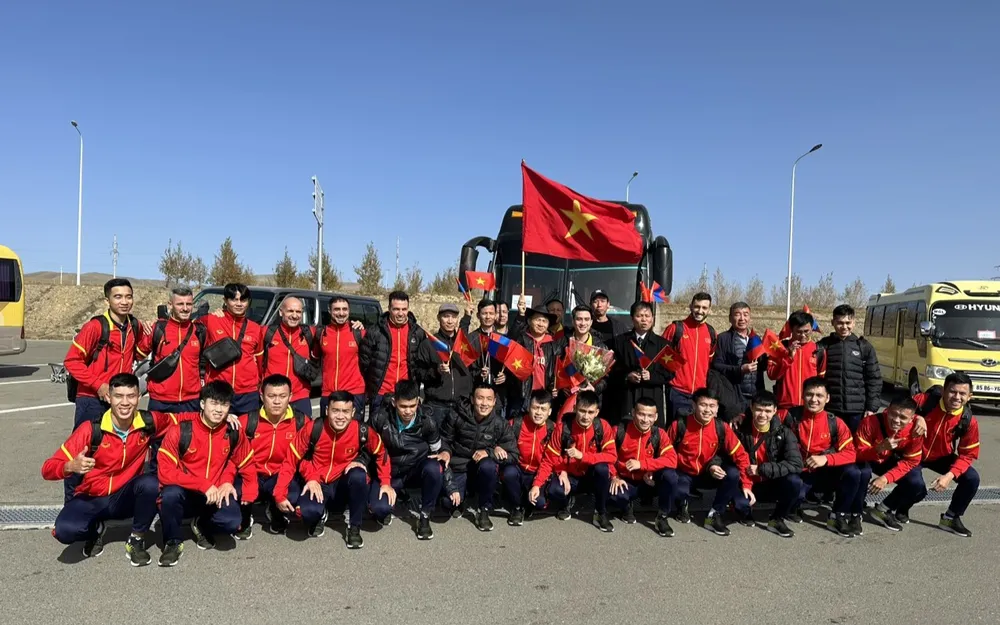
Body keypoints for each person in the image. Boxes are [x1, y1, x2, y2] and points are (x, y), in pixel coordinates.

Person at [41, 373, 182, 567]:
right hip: (93, 497)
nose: (125, 402)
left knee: (150, 483)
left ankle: (137, 539)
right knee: (65, 531)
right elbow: (47, 468)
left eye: (131, 396)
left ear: (138, 398)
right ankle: (95, 529)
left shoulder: (148, 422)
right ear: (109, 397)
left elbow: (182, 419)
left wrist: (216, 415)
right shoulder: (91, 430)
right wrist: (69, 466)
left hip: (125, 498)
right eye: (118, 396)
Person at [274, 391, 392, 549]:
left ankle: (354, 527)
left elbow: (382, 453)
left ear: (353, 412)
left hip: (343, 484)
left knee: (359, 475)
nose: (340, 416)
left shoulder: (362, 431)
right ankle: (321, 514)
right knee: (307, 513)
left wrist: (385, 482)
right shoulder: (313, 428)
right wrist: (280, 494)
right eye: (335, 410)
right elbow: (291, 460)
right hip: (318, 484)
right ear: (326, 410)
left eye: (345, 411)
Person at [62, 278, 146, 502]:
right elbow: (72, 361)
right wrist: (98, 385)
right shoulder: (96, 327)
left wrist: (150, 332)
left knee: (111, 454)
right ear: (107, 300)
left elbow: (139, 354)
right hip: (91, 399)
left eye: (128, 296)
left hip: (119, 401)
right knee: (81, 452)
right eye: (118, 297)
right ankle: (72, 504)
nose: (124, 301)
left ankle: (103, 503)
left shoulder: (134, 326)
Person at [157, 381, 257, 566]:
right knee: (170, 494)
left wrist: (243, 488)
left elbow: (244, 461)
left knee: (232, 522)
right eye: (214, 403)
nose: (218, 410)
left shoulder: (233, 432)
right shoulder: (180, 431)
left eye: (224, 405)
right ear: (202, 404)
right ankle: (172, 542)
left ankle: (201, 523)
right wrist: (202, 485)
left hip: (215, 494)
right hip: (187, 493)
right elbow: (165, 472)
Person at [880, 373, 980, 537]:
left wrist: (949, 475)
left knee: (972, 478)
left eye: (962, 393)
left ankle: (950, 518)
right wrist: (917, 417)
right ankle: (886, 508)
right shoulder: (925, 401)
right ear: (943, 391)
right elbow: (890, 413)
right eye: (952, 391)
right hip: (912, 453)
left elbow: (968, 455)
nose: (957, 397)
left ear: (970, 396)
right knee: (917, 487)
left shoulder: (968, 420)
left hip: (941, 456)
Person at [664, 388, 752, 537]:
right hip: (684, 474)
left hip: (709, 474)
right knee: (677, 487)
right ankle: (682, 503)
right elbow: (664, 453)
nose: (707, 410)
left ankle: (714, 514)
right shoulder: (679, 425)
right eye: (703, 405)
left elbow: (741, 456)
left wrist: (747, 484)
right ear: (693, 405)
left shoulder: (722, 427)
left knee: (732, 473)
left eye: (712, 406)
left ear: (717, 409)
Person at [369, 380, 449, 541]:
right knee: (380, 509)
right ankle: (395, 497)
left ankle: (424, 516)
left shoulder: (427, 421)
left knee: (434, 467)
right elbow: (366, 448)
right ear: (394, 402)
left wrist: (451, 486)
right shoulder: (379, 418)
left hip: (415, 472)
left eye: (412, 406)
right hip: (389, 473)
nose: (408, 411)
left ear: (418, 402)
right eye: (403, 406)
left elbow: (439, 452)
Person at [235, 374, 311, 538]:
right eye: (271, 396)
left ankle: (275, 511)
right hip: (251, 474)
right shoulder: (246, 421)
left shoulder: (301, 422)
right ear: (262, 396)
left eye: (282, 396)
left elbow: (307, 458)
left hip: (281, 475)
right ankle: (245, 517)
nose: (277, 401)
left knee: (292, 495)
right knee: (235, 492)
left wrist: (311, 479)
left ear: (290, 396)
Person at [530, 390, 617, 533]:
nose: (586, 416)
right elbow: (549, 460)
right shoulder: (563, 428)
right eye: (582, 411)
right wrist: (537, 484)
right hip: (569, 477)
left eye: (590, 412)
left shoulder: (602, 426)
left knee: (602, 469)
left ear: (597, 412)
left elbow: (612, 456)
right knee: (554, 490)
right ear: (575, 408)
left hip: (591, 476)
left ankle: (600, 512)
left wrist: (583, 456)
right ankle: (565, 503)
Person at [783, 377, 859, 537]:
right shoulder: (789, 416)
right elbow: (764, 419)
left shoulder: (836, 422)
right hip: (799, 472)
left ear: (827, 398)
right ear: (802, 395)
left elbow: (851, 453)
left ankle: (837, 516)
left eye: (819, 395)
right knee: (794, 491)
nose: (814, 399)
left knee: (853, 472)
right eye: (809, 394)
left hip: (825, 473)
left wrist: (826, 459)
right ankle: (793, 506)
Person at [439, 383, 516, 532]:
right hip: (459, 466)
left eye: (489, 399)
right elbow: (443, 440)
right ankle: (461, 499)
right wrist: (446, 451)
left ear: (494, 401)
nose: (484, 403)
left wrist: (490, 452)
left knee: (488, 465)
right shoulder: (456, 415)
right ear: (472, 399)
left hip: (481, 469)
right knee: (448, 503)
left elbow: (514, 455)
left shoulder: (500, 423)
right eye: (480, 398)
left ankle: (484, 509)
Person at [732, 391, 803, 538]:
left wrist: (762, 469)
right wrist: (744, 481)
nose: (762, 415)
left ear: (775, 410)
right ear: (751, 407)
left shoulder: (784, 432)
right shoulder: (738, 428)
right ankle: (743, 510)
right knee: (741, 504)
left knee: (795, 482)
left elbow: (796, 464)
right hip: (745, 482)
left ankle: (777, 519)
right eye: (758, 409)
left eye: (768, 411)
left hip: (771, 481)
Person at [608, 397, 677, 537]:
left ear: (656, 417)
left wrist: (646, 466)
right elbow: (606, 457)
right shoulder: (619, 430)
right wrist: (614, 476)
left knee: (671, 476)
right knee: (614, 495)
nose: (645, 420)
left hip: (649, 482)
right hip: (625, 481)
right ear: (633, 412)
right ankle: (626, 506)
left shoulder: (659, 434)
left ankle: (662, 517)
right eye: (641, 414)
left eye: (650, 416)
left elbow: (672, 459)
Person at [855, 395, 923, 533]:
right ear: (887, 410)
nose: (896, 420)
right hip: (869, 457)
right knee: (860, 473)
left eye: (903, 418)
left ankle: (883, 509)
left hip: (889, 461)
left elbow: (911, 461)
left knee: (917, 486)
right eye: (893, 414)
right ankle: (854, 512)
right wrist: (879, 448)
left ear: (912, 419)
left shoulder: (915, 431)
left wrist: (886, 478)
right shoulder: (869, 422)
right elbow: (857, 454)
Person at [359, 290, 430, 416]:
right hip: (381, 394)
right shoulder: (375, 331)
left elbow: (421, 364)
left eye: (404, 309)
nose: (400, 313)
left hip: (406, 396)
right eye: (396, 309)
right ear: (389, 308)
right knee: (378, 428)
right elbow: (364, 362)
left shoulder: (418, 333)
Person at [201, 283, 265, 416]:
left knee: (248, 427)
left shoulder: (255, 328)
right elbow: (185, 326)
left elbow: (260, 361)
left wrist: (259, 385)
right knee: (219, 428)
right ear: (225, 300)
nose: (239, 304)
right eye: (234, 299)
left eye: (243, 300)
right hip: (218, 391)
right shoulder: (210, 321)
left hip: (247, 393)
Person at [138, 286, 205, 413]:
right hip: (160, 401)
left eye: (189, 304)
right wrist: (143, 329)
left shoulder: (200, 331)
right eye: (180, 304)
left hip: (191, 401)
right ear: (170, 305)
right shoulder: (157, 329)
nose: (185, 308)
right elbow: (137, 355)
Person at [817, 304, 881, 433]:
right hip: (830, 409)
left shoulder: (864, 347)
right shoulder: (823, 346)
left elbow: (874, 379)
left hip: (857, 411)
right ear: (833, 322)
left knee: (855, 443)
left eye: (848, 323)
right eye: (840, 323)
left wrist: (871, 407)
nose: (844, 327)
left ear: (854, 323)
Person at [609, 302, 670, 425]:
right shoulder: (620, 342)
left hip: (652, 395)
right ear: (632, 318)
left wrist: (651, 376)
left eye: (647, 316)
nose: (644, 320)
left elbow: (669, 373)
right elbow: (611, 369)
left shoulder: (663, 345)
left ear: (652, 318)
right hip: (627, 396)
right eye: (639, 316)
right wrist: (627, 376)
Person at [661, 292, 718, 421]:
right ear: (691, 306)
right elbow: (661, 357)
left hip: (700, 394)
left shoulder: (711, 333)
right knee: (676, 429)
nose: (700, 311)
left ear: (709, 309)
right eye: (697, 306)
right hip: (677, 391)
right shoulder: (675, 329)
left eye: (704, 308)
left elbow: (710, 362)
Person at [501, 389, 554, 526]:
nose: (538, 412)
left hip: (538, 472)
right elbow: (501, 441)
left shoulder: (553, 429)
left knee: (539, 503)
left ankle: (527, 500)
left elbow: (549, 462)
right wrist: (498, 447)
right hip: (518, 468)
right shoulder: (515, 424)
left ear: (549, 412)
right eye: (535, 408)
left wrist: (537, 485)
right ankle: (517, 508)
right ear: (529, 407)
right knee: (509, 473)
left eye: (543, 409)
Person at [419, 302, 474, 427]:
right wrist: (436, 371)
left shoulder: (462, 343)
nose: (450, 321)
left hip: (461, 407)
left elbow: (463, 330)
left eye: (453, 317)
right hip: (436, 406)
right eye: (446, 316)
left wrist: (467, 316)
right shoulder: (428, 344)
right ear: (438, 318)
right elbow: (419, 373)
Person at [259, 297, 316, 416]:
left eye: (298, 312)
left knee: (304, 428)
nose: (294, 315)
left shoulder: (310, 333)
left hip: (300, 396)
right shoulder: (266, 332)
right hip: (273, 396)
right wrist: (221, 314)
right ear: (281, 312)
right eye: (290, 311)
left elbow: (335, 332)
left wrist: (356, 324)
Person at [504, 299, 558, 419]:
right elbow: (509, 341)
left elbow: (555, 370)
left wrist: (553, 387)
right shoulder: (521, 339)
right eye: (538, 320)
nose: (541, 324)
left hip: (542, 398)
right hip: (521, 397)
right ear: (529, 321)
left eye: (544, 321)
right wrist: (520, 316)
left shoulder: (553, 345)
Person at [316, 296, 367, 417]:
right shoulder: (321, 333)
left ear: (349, 311)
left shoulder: (359, 333)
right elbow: (314, 358)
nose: (341, 313)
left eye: (345, 309)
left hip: (354, 392)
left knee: (354, 428)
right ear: (329, 311)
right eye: (337, 309)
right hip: (329, 393)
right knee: (327, 428)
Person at [553, 304, 608, 415]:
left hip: (589, 403)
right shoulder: (562, 343)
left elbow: (605, 378)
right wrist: (560, 387)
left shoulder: (600, 347)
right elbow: (554, 369)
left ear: (591, 322)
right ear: (573, 321)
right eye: (579, 319)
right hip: (565, 400)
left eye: (586, 319)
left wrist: (594, 388)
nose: (583, 323)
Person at [711, 302, 765, 416]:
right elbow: (716, 365)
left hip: (755, 396)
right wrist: (740, 369)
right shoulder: (723, 339)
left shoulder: (756, 339)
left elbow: (762, 366)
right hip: (734, 395)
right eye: (737, 314)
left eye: (745, 314)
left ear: (750, 318)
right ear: (730, 318)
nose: (742, 318)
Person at [768, 310, 826, 411]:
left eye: (806, 331)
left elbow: (821, 381)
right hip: (785, 406)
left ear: (812, 329)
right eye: (798, 332)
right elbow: (772, 375)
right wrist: (788, 357)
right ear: (791, 330)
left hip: (809, 406)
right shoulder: (780, 348)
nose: (803, 335)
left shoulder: (819, 350)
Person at [468, 299, 506, 392]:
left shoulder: (503, 339)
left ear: (495, 315)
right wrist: (479, 373)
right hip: (476, 390)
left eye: (491, 313)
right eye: (484, 313)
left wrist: (505, 376)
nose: (488, 317)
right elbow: (465, 368)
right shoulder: (471, 339)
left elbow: (508, 366)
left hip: (497, 392)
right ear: (478, 315)